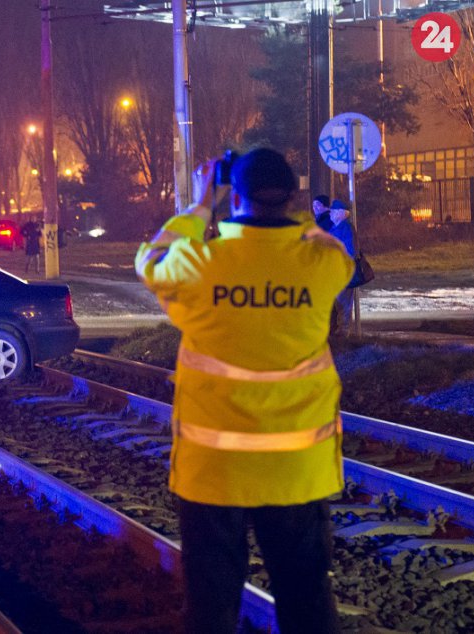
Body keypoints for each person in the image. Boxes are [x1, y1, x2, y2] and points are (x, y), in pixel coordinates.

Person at [135, 148, 354, 634]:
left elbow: (151, 259)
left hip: (214, 471)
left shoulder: (201, 265)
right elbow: (335, 248)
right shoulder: (318, 265)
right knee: (307, 602)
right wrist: (300, 220)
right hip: (296, 470)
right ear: (292, 199)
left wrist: (200, 205)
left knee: (211, 607)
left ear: (234, 197)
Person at [328, 199, 356, 335]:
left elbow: (350, 251)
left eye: (333, 211)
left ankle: (344, 332)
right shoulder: (335, 227)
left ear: (340, 213)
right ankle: (341, 331)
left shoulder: (345, 228)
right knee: (339, 303)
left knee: (343, 303)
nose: (330, 214)